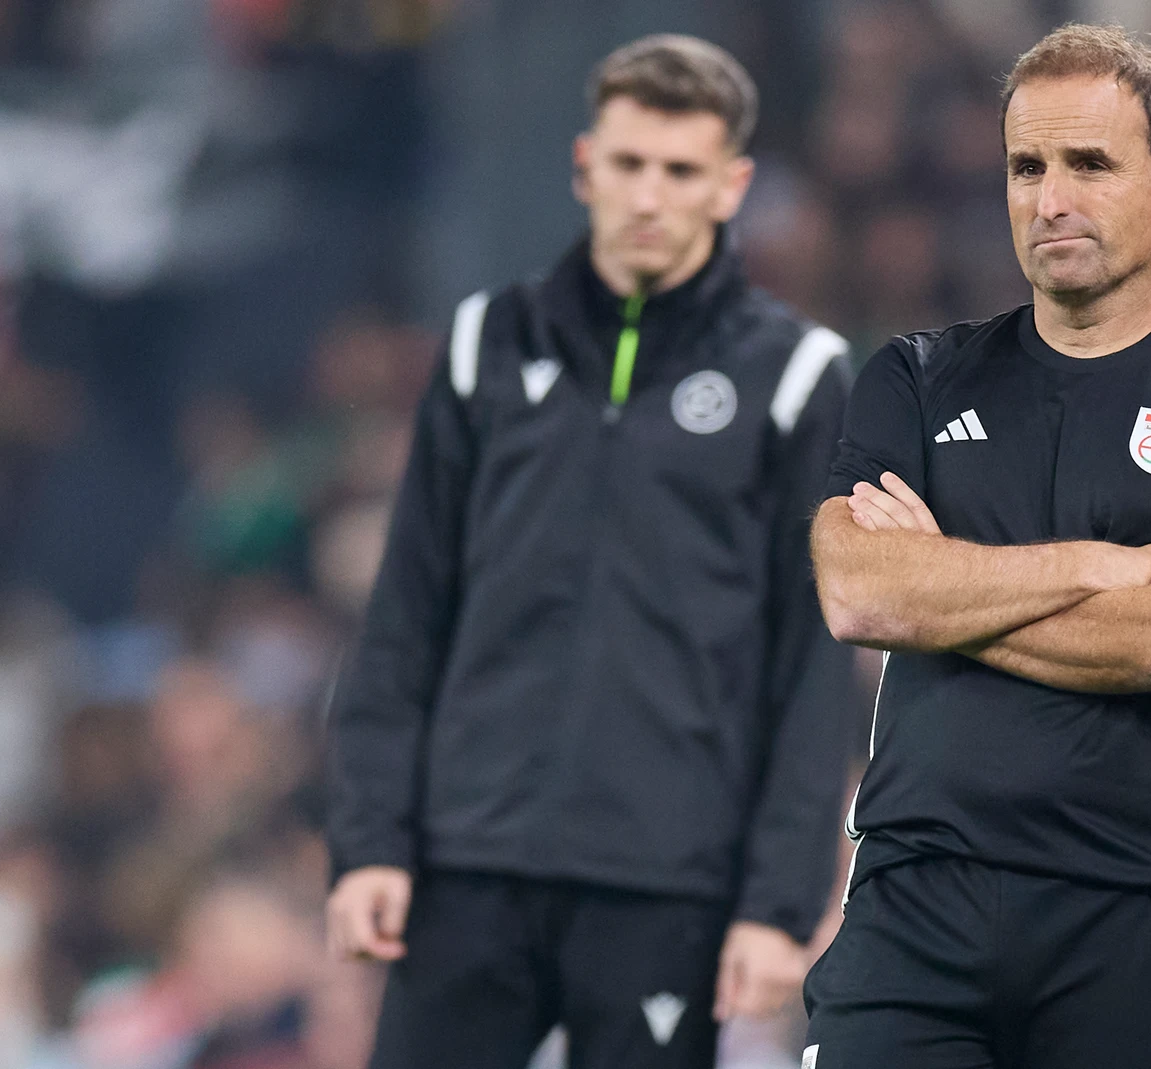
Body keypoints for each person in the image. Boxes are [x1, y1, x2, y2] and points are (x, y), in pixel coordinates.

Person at [323, 34, 856, 1069]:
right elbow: (405, 614)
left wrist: (780, 903)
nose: (649, 196)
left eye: (681, 170)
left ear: (730, 185)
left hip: (670, 881)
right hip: (465, 861)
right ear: (583, 167)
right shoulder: (486, 343)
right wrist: (371, 840)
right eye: (627, 165)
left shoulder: (798, 377)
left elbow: (811, 664)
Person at [802, 23, 1151, 1069]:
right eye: (1025, 166)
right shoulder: (912, 375)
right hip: (914, 902)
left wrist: (942, 590)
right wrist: (1106, 565)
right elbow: (857, 591)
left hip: (1135, 909)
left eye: (1087, 163)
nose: (1049, 198)